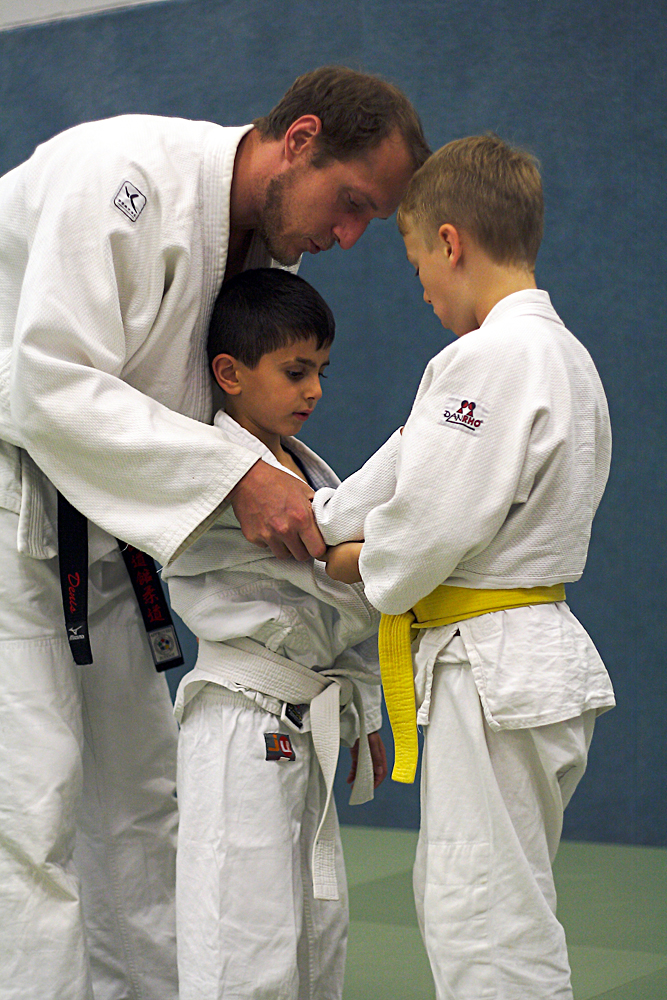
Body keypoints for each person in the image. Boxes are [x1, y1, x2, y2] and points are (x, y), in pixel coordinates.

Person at [0, 67, 429, 1000]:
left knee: (140, 809)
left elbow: (249, 465)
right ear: (299, 139)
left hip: (108, 531)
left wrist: (341, 664)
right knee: (29, 813)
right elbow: (46, 385)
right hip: (11, 514)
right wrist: (233, 476)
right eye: (350, 203)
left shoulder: (264, 261)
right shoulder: (125, 178)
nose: (347, 235)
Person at [314, 134, 616, 999]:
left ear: (449, 241)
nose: (422, 288)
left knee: (479, 918)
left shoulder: (488, 356)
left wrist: (350, 560)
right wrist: (325, 512)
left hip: (489, 668)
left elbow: (432, 519)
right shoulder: (563, 356)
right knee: (507, 906)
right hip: (532, 659)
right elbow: (416, 458)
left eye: (416, 264)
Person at [162, 267, 386, 1000]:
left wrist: (364, 709)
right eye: (295, 372)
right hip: (238, 718)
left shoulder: (300, 469)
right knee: (240, 941)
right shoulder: (212, 470)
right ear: (228, 373)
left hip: (304, 713)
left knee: (314, 936)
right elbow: (337, 579)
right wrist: (398, 549)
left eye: (320, 370)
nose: (314, 390)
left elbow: (336, 617)